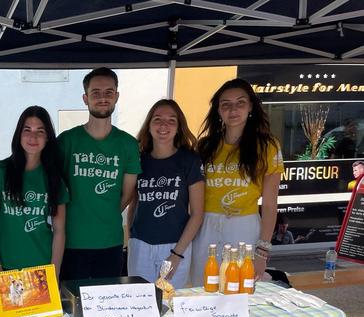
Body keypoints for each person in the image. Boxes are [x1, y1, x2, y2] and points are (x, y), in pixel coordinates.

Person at [190, 78, 285, 288]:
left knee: (238, 291)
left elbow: (269, 205)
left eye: (240, 102)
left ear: (251, 106)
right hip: (205, 226)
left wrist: (262, 253)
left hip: (245, 228)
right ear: (218, 110)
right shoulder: (205, 146)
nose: (233, 109)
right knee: (202, 288)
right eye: (225, 104)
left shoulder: (268, 146)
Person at [57, 68, 141, 281]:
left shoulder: (129, 144)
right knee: (73, 308)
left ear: (117, 96)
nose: (102, 98)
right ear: (85, 98)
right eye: (96, 93)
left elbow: (127, 195)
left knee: (107, 308)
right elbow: (54, 188)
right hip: (71, 243)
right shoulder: (66, 141)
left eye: (108, 92)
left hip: (110, 242)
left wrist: (104, 213)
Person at [127, 99, 204, 288]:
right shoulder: (139, 160)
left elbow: (197, 213)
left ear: (179, 127)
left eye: (171, 120)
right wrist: (131, 238)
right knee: (141, 305)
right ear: (149, 125)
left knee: (169, 307)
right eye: (158, 119)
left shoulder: (189, 161)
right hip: (141, 245)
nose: (164, 125)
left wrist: (177, 254)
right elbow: (134, 203)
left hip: (174, 246)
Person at [0, 106, 69, 276]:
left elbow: (59, 230)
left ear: (47, 137)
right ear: (19, 134)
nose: (33, 137)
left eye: (40, 131)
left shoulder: (54, 178)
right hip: (6, 269)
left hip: (42, 270)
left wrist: (55, 271)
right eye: (27, 129)